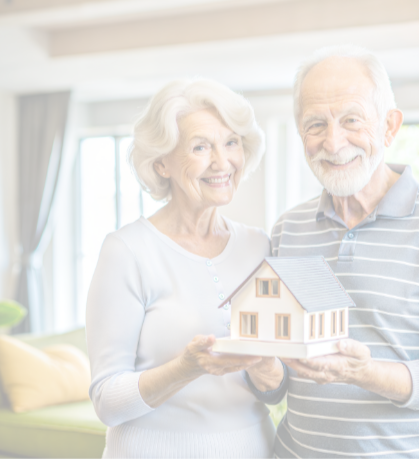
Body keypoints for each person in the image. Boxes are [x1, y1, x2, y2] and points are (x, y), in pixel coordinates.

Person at [245, 45, 419, 458]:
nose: (333, 142)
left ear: (389, 127)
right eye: (315, 125)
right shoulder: (289, 230)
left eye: (351, 120)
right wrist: (262, 368)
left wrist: (365, 373)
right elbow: (281, 384)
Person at [86, 78, 278, 457]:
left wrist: (266, 368)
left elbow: (274, 389)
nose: (222, 162)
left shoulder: (260, 246)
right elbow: (107, 402)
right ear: (161, 162)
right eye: (200, 147)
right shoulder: (127, 250)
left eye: (231, 142)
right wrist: (187, 367)